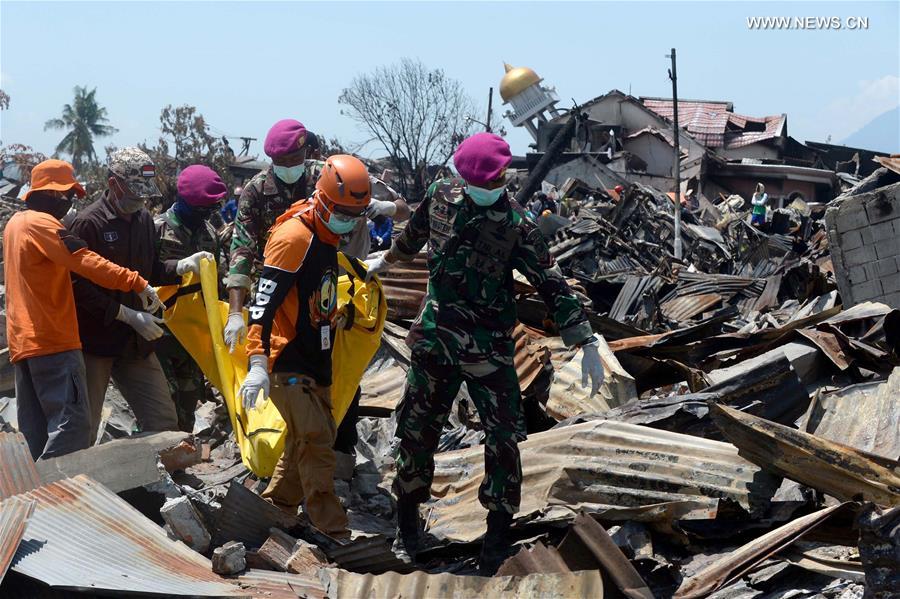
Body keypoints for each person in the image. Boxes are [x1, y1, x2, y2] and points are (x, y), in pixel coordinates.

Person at [365, 133, 605, 575]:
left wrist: (584, 338)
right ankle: (407, 526)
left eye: (493, 182)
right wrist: (389, 259)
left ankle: (497, 534)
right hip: (435, 337)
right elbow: (415, 233)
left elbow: (549, 280)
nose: (487, 188)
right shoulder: (441, 195)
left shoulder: (517, 224)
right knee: (416, 430)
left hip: (489, 346)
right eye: (479, 182)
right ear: (463, 178)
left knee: (503, 438)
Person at [238, 155, 373, 539]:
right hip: (288, 358)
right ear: (324, 201)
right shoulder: (294, 238)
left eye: (356, 215)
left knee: (305, 439)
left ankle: (275, 510)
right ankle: (332, 529)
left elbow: (314, 292)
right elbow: (262, 304)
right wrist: (257, 361)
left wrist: (337, 314)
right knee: (316, 441)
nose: (349, 222)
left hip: (315, 357)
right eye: (343, 213)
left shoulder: (326, 234)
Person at [5, 159, 161, 459]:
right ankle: (56, 486)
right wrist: (136, 282)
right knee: (73, 427)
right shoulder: (42, 224)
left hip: (24, 343)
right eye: (69, 195)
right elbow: (84, 260)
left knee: (36, 431)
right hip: (53, 341)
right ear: (54, 193)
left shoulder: (15, 224)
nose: (71, 202)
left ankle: (33, 484)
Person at [70, 147, 210, 442]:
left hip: (136, 343)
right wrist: (125, 315)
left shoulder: (144, 220)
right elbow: (77, 287)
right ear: (114, 184)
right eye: (135, 194)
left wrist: (180, 266)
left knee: (163, 421)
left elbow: (150, 270)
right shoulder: (89, 223)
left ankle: (148, 471)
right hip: (97, 342)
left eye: (144, 195)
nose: (140, 201)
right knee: (85, 428)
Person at [154, 165, 225, 431]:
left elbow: (215, 283)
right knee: (162, 404)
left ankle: (182, 449)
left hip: (193, 334)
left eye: (211, 210)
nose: (205, 215)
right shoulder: (157, 229)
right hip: (159, 331)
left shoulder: (209, 234)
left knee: (188, 403)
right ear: (183, 200)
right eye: (200, 209)